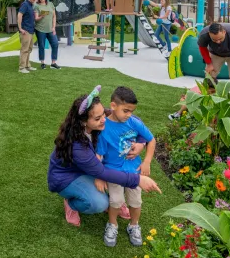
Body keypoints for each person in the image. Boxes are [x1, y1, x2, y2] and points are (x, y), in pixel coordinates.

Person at [47, 86, 161, 228]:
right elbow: (101, 172)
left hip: (91, 167)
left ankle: (115, 200)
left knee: (110, 174)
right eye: (98, 118)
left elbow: (133, 121)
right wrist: (138, 179)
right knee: (99, 203)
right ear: (83, 122)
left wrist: (141, 143)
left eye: (103, 114)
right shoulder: (78, 146)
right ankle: (71, 203)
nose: (104, 119)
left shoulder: (102, 116)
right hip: (68, 176)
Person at [95, 87, 156, 247]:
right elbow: (99, 155)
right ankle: (112, 224)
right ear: (113, 106)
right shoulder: (104, 129)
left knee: (136, 201)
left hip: (134, 170)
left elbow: (151, 140)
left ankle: (134, 225)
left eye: (131, 111)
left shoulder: (134, 122)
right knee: (115, 201)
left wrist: (147, 161)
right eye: (126, 111)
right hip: (113, 171)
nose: (129, 114)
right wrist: (99, 176)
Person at [33, 0, 61, 70]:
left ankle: (53, 63)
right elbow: (36, 19)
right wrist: (41, 16)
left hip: (50, 29)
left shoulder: (51, 4)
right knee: (41, 46)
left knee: (55, 44)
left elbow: (54, 16)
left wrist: (53, 27)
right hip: (40, 29)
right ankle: (42, 63)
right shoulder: (36, 6)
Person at [17, 0, 38, 74]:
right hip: (25, 31)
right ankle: (21, 68)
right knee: (24, 49)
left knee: (29, 49)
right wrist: (20, 28)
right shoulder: (25, 4)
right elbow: (19, 15)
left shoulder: (31, 5)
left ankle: (27, 65)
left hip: (31, 30)